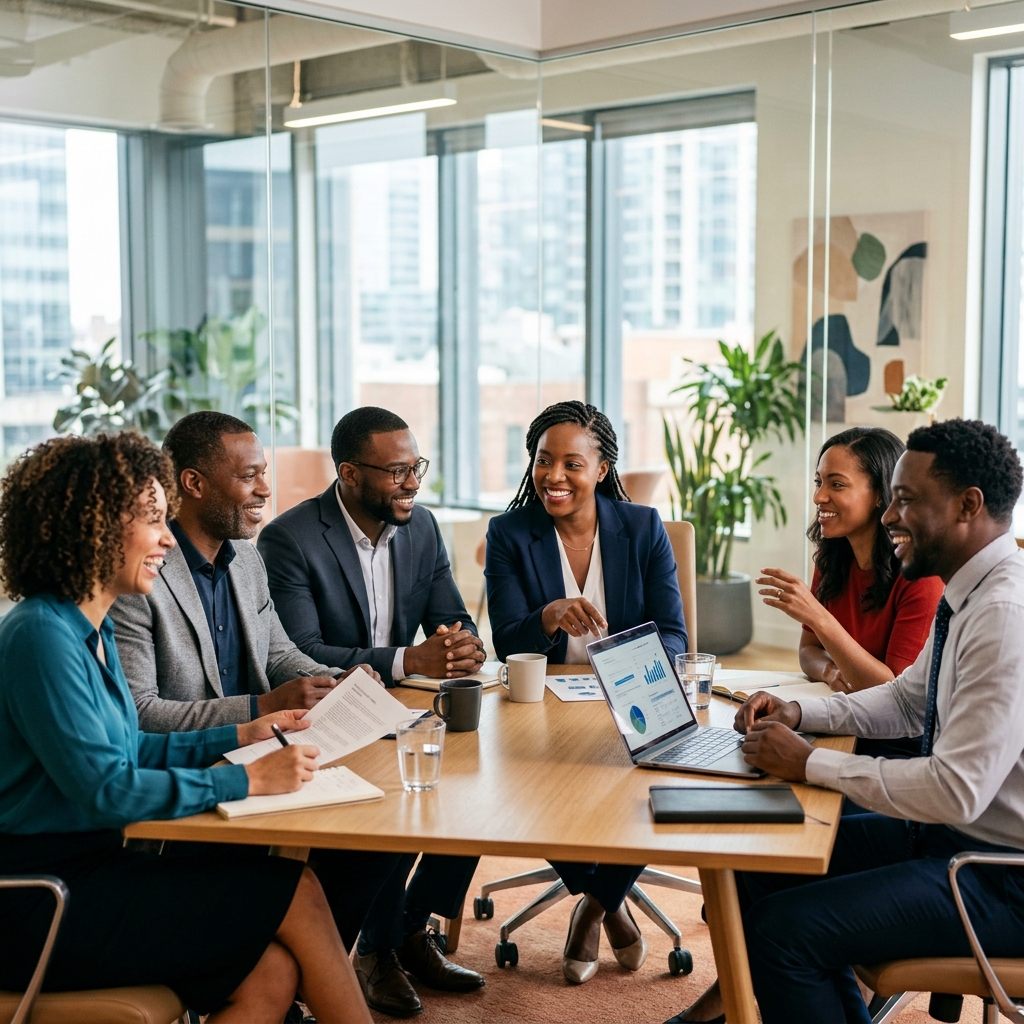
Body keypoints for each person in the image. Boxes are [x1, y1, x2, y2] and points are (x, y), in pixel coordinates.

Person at [0, 431, 372, 1024]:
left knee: (270, 974)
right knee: (296, 888)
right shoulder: (40, 635)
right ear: (92, 527)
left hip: (91, 869)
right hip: (39, 896)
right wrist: (246, 782)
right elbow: (106, 789)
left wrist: (240, 736)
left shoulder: (83, 630)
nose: (167, 539)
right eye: (152, 520)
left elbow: (132, 748)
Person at [664, 418, 1024, 1024]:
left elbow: (957, 790)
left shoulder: (1001, 615)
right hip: (947, 841)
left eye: (906, 500)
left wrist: (811, 761)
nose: (889, 515)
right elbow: (908, 700)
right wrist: (801, 711)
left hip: (998, 877)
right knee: (763, 857)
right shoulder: (970, 591)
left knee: (786, 933)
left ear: (969, 506)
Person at [257, 407, 485, 1018]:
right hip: (327, 714)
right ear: (350, 474)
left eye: (417, 467)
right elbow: (301, 655)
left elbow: (451, 615)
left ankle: (411, 928)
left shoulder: (422, 526)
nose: (413, 483)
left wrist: (464, 643)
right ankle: (375, 949)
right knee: (389, 808)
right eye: (397, 472)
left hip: (402, 705)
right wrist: (411, 658)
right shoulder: (291, 539)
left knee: (474, 786)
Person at [485, 400, 688, 985]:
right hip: (545, 702)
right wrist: (547, 615)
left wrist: (636, 673)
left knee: (652, 784)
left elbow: (673, 633)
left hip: (630, 697)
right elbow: (506, 640)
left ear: (601, 469)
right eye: (543, 461)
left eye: (572, 463)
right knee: (529, 782)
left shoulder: (642, 527)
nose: (554, 477)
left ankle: (593, 907)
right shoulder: (510, 534)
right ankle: (611, 903)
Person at [757, 427, 944, 697]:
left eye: (837, 484)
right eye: (818, 482)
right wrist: (830, 672)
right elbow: (808, 650)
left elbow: (897, 696)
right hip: (851, 711)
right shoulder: (832, 558)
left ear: (881, 493)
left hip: (899, 734)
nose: (818, 497)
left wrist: (818, 616)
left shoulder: (921, 575)